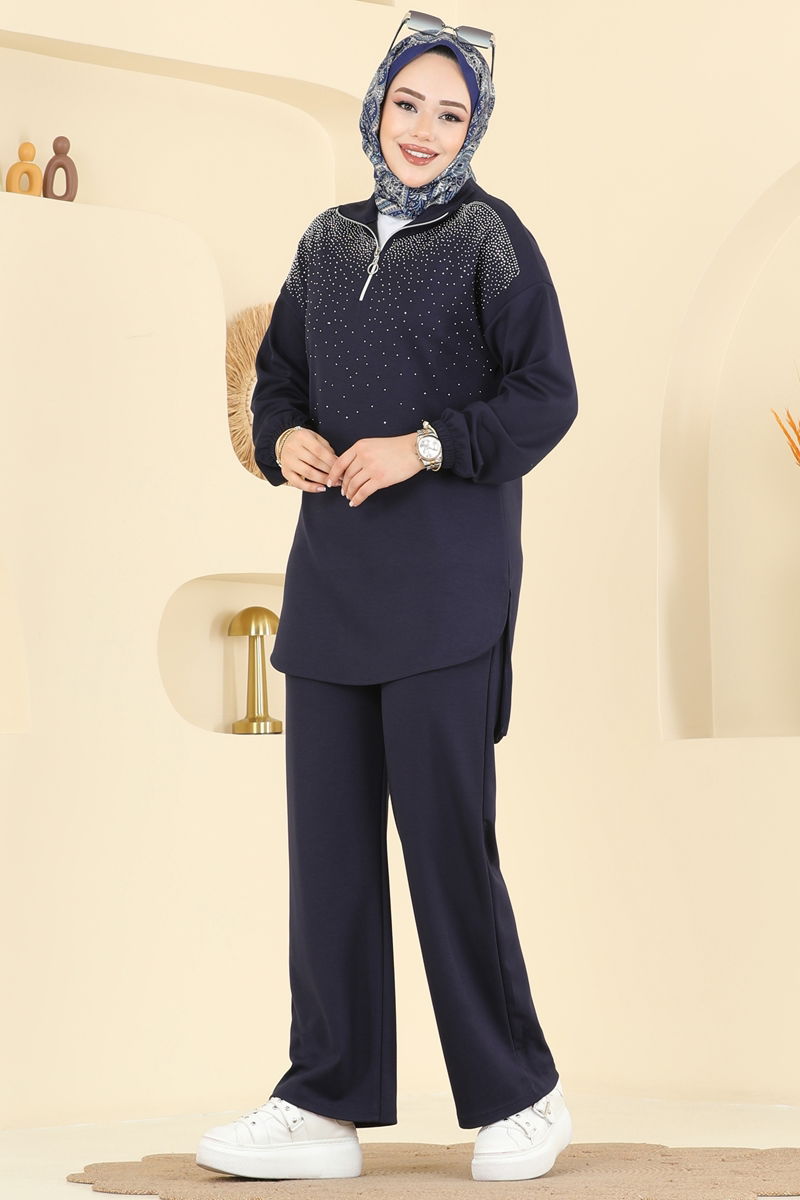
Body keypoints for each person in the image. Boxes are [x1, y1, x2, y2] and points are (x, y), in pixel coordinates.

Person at [196, 12, 578, 1185]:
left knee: (446, 849)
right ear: (375, 108)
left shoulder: (490, 239)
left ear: (473, 129)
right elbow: (277, 380)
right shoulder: (324, 242)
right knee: (327, 859)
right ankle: (323, 1104)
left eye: (448, 113)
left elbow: (545, 396)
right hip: (331, 591)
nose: (422, 129)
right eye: (406, 104)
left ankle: (521, 1095)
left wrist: (421, 445)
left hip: (447, 590)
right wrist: (284, 440)